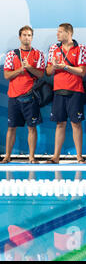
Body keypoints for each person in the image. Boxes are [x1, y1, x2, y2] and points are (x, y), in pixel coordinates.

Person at [45, 23, 86, 164]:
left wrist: (65, 66)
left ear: (69, 33)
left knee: (76, 124)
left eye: (60, 32)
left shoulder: (81, 48)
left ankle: (79, 157)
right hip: (58, 90)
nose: (57, 34)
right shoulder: (53, 48)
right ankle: (55, 157)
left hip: (75, 90)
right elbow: (48, 72)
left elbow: (82, 71)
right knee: (60, 124)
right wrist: (54, 66)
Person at [1, 26, 45, 164]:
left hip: (30, 97)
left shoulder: (38, 54)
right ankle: (7, 156)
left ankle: (31, 157)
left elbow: (41, 74)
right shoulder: (12, 55)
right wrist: (20, 70)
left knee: (32, 128)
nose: (27, 37)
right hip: (14, 97)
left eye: (29, 35)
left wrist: (29, 67)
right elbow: (7, 75)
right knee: (11, 128)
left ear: (32, 37)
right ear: (20, 37)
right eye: (24, 35)